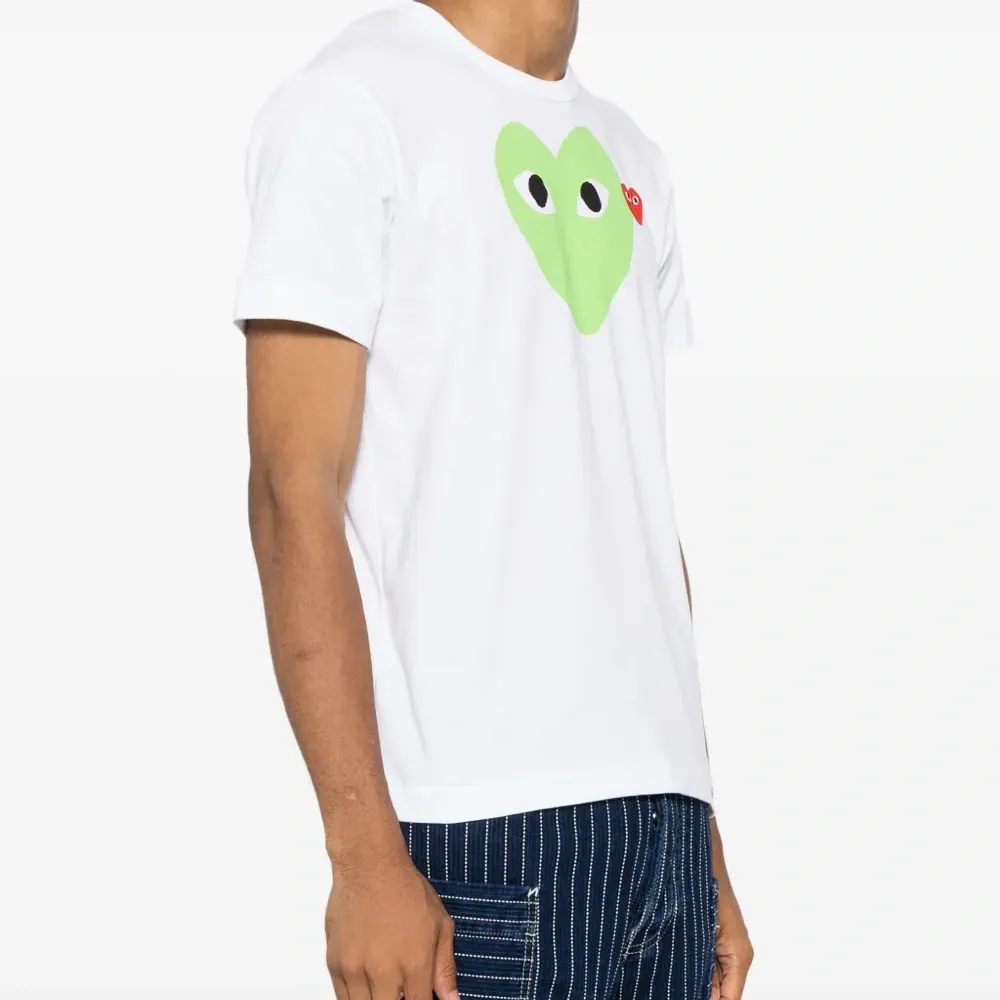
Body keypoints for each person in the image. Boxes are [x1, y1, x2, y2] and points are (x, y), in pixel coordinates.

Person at [233, 1, 753, 998]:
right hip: (476, 826)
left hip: (663, 831)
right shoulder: (349, 106)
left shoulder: (631, 152)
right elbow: (288, 490)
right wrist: (363, 855)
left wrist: (703, 838)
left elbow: (628, 507)